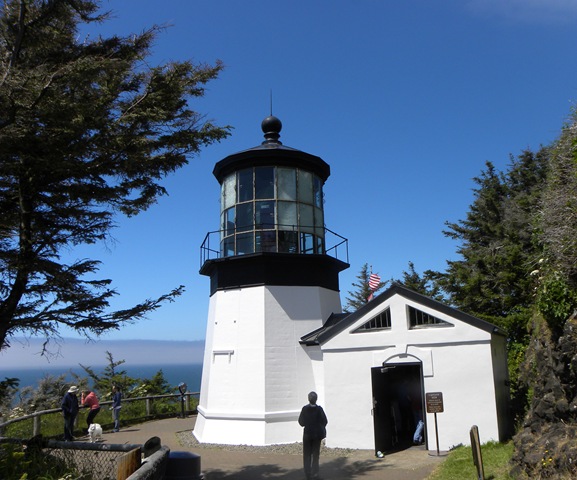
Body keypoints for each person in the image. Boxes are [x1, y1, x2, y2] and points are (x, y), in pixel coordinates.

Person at [298, 391, 328, 480]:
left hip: (307, 434)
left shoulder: (305, 409)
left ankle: (307, 473)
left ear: (308, 399)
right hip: (316, 435)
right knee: (315, 455)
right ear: (316, 399)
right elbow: (325, 421)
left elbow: (301, 422)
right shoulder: (319, 409)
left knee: (306, 454)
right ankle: (315, 473)